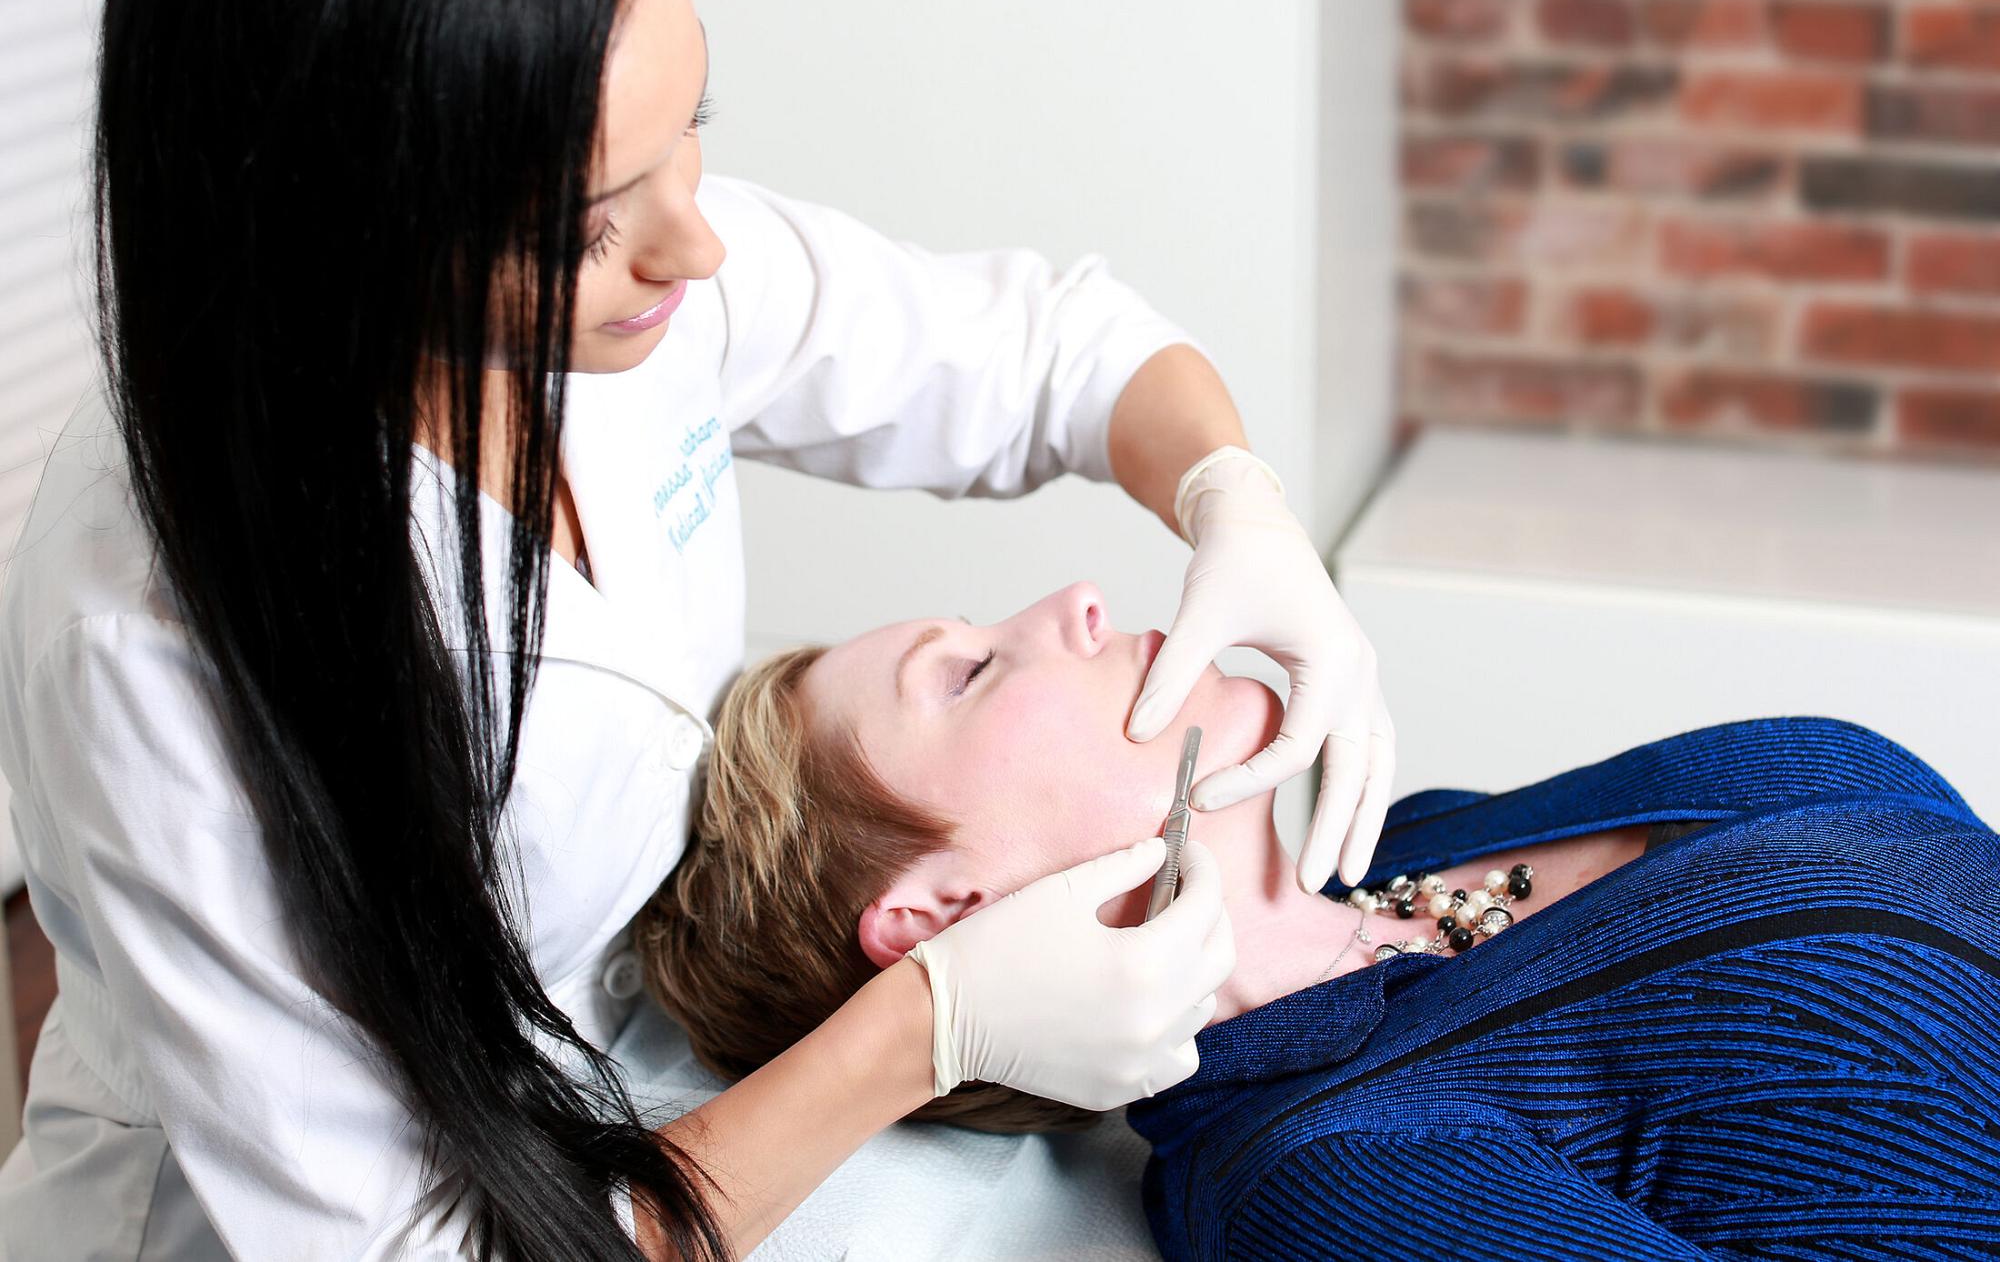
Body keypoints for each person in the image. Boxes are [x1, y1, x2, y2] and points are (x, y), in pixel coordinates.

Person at [0, 0, 1398, 1258]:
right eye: (587, 225)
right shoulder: (150, 642)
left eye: (691, 130)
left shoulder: (633, 269)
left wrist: (1233, 492)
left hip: (631, 1091)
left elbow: (1048, 357)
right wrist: (924, 1027)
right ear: (349, 218)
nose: (701, 247)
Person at [639, 581, 2000, 1259]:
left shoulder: (1420, 840)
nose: (1074, 601)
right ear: (948, 910)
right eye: (974, 669)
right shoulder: (1326, 1175)